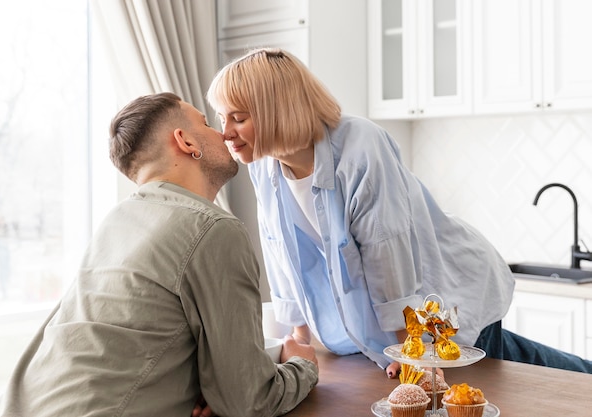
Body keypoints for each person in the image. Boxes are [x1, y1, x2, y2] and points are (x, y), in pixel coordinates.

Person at [206, 47, 592, 376]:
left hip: (449, 293)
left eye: (238, 118)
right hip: (400, 327)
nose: (225, 132)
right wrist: (298, 342)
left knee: (524, 377)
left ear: (278, 109)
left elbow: (387, 256)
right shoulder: (265, 166)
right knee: (517, 365)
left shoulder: (358, 146)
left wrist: (412, 351)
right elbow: (282, 255)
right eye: (222, 118)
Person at [0, 92, 318, 417]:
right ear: (185, 141)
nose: (224, 134)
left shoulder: (117, 221)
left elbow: (131, 338)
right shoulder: (213, 229)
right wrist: (303, 365)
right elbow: (248, 401)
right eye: (207, 124)